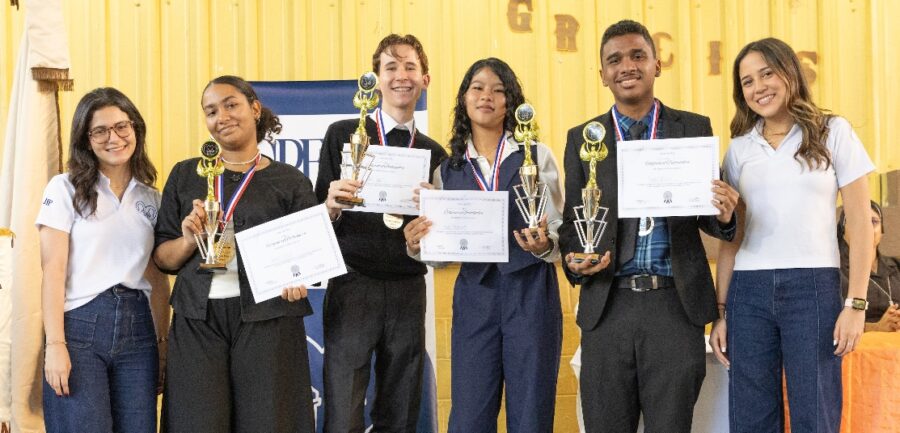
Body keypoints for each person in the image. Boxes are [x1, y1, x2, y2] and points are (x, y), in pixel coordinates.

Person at [556, 20, 739, 433]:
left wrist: (726, 215)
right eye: (614, 59)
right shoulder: (583, 139)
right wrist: (572, 258)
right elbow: (573, 222)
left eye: (638, 55)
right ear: (602, 73)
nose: (628, 66)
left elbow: (707, 215)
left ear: (657, 64)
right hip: (608, 306)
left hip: (675, 306)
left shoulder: (692, 128)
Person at [709, 37, 875, 433]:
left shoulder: (833, 132)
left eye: (767, 73)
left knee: (815, 413)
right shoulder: (739, 150)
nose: (758, 87)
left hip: (813, 288)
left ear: (790, 73)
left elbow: (860, 224)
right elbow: (730, 239)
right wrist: (721, 313)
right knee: (750, 416)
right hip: (747, 293)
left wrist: (856, 304)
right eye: (747, 81)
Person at [403, 57, 565, 432]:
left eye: (498, 89)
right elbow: (440, 256)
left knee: (531, 411)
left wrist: (544, 246)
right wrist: (418, 244)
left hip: (531, 292)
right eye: (477, 87)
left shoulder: (536, 157)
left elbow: (560, 230)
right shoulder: (448, 170)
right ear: (463, 99)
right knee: (469, 414)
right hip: (475, 297)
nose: (486, 96)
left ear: (511, 102)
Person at [153, 75, 316, 432]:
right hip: (198, 320)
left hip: (268, 317)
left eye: (230, 105)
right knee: (198, 423)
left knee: (269, 421)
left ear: (255, 109)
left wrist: (296, 277)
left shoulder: (290, 181)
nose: (221, 116)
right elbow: (163, 258)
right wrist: (186, 238)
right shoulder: (185, 174)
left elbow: (309, 254)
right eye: (210, 111)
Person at [315, 34, 447, 432]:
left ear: (426, 78)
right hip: (353, 283)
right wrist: (331, 206)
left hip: (407, 288)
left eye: (410, 67)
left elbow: (437, 241)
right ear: (375, 79)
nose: (401, 76)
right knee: (344, 405)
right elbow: (317, 216)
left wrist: (434, 212)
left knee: (402, 406)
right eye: (390, 67)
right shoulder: (343, 134)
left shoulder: (434, 153)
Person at [36, 87, 170, 432]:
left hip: (139, 331)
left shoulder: (153, 198)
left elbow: (157, 279)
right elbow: (52, 271)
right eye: (100, 130)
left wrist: (162, 343)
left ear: (136, 129)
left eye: (122, 126)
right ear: (86, 138)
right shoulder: (64, 189)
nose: (114, 138)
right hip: (79, 329)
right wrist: (55, 346)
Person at [838, 201, 900, 332]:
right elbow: (826, 324)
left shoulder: (896, 267)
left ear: (882, 231)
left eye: (874, 221)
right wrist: (876, 327)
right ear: (843, 231)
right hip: (858, 349)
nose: (866, 228)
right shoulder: (834, 273)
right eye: (857, 221)